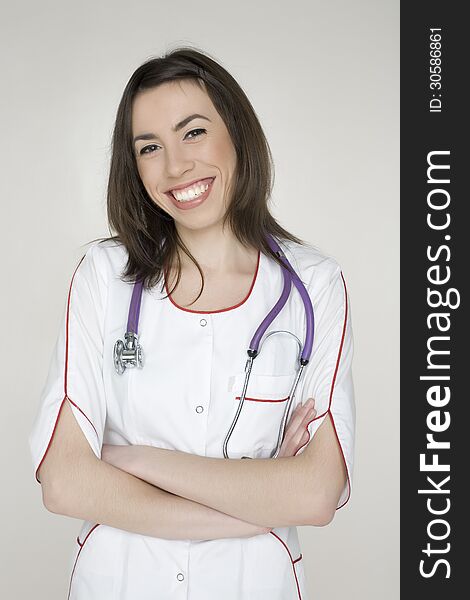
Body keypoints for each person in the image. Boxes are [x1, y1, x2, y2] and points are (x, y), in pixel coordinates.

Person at [28, 47, 355, 600]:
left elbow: (316, 492)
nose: (176, 166)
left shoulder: (315, 286)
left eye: (194, 133)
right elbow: (64, 482)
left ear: (237, 134)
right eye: (149, 147)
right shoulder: (103, 277)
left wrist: (130, 459)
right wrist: (257, 502)